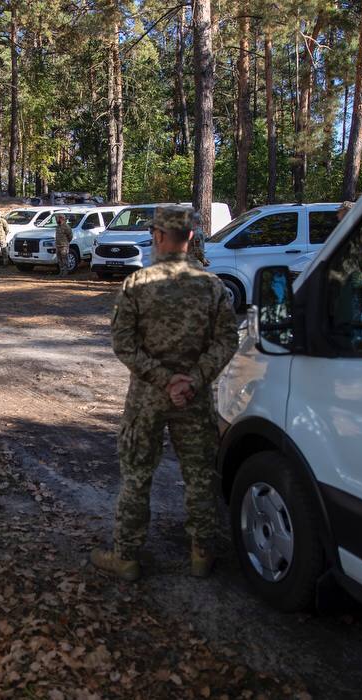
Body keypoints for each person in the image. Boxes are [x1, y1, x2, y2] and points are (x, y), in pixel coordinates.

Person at [91, 205, 239, 582]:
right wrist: (190, 380)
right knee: (200, 476)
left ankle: (126, 556)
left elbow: (122, 344)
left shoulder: (138, 285)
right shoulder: (211, 286)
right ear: (191, 239)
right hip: (194, 398)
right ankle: (201, 554)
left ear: (157, 236)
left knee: (137, 476)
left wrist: (161, 379)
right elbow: (226, 340)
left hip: (147, 400)